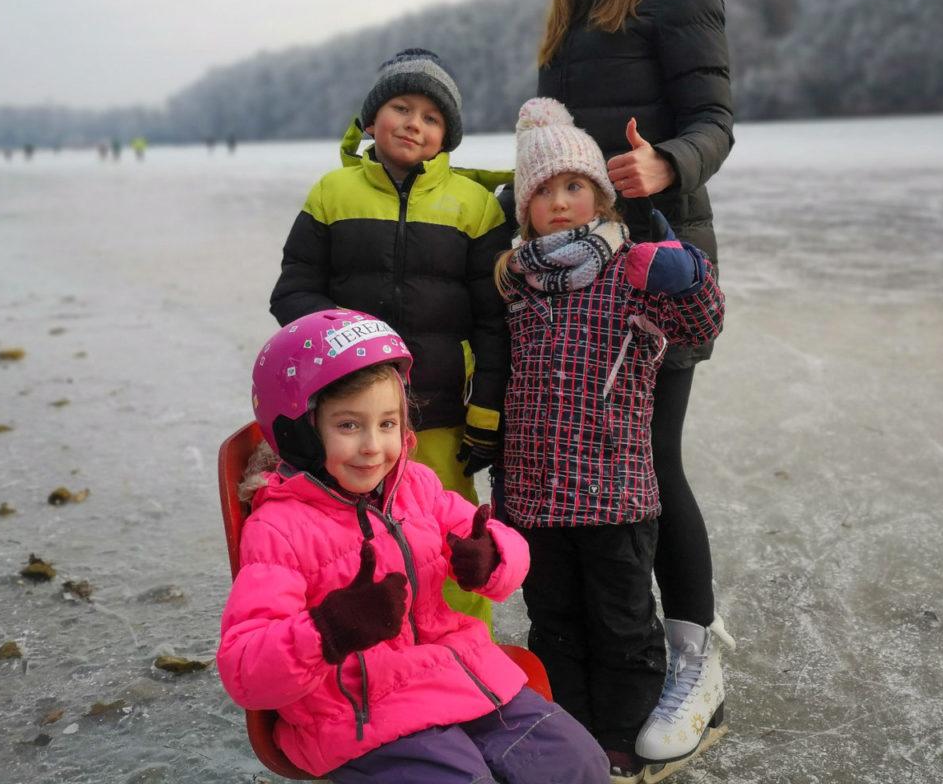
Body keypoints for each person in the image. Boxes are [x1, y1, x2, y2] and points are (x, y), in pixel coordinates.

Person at [536, 0, 737, 766]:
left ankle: (696, 659)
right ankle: (609, 654)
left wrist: (667, 162)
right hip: (579, 267)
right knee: (596, 461)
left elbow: (715, 121)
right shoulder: (568, 5)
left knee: (652, 457)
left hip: (658, 260)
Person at [217, 309, 610, 784]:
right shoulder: (279, 529)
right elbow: (246, 671)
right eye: (349, 425)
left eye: (388, 423)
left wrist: (491, 556)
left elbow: (508, 549)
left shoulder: (416, 486)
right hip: (359, 711)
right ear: (299, 432)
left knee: (580, 766)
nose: (373, 446)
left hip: (460, 674)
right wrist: (329, 629)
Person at [494, 99, 725, 782]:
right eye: (544, 192)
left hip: (616, 494)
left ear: (600, 196)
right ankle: (572, 740)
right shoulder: (517, 284)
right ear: (526, 209)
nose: (560, 202)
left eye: (574, 186)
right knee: (555, 625)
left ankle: (623, 743)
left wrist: (690, 276)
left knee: (623, 627)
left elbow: (700, 326)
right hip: (537, 497)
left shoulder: (631, 273)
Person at [268, 48, 510, 629]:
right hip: (349, 415)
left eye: (431, 117)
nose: (413, 124)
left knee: (453, 538)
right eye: (401, 107)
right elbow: (292, 293)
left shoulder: (475, 207)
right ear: (372, 117)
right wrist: (352, 344)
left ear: (447, 135)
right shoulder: (333, 193)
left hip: (439, 412)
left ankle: (466, 643)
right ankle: (370, 650)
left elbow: (494, 321)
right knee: (349, 540)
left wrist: (486, 412)